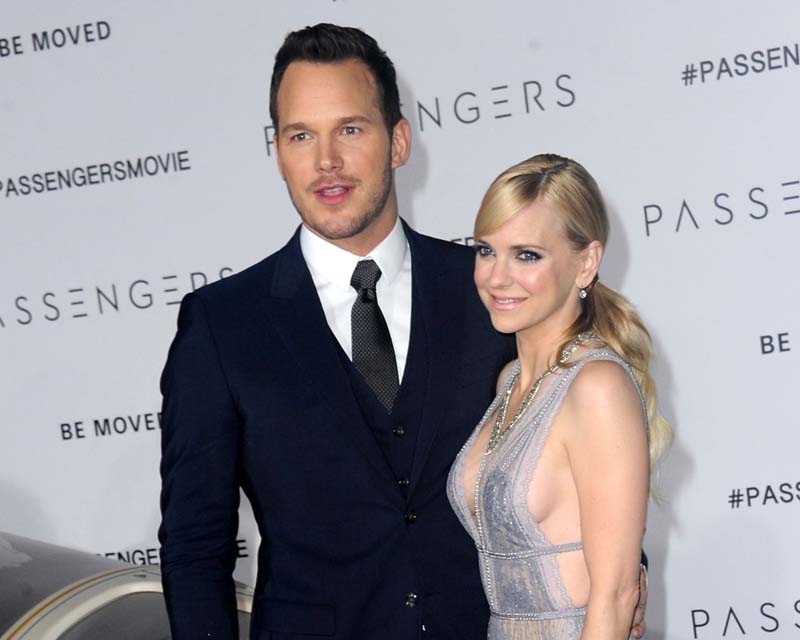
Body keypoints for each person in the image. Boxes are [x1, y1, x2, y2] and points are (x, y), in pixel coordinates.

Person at [158, 24, 649, 640]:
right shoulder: (222, 325)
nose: (326, 160)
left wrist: (620, 579)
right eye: (300, 135)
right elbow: (195, 546)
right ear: (278, 151)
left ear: (397, 141)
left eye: (350, 129)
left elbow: (585, 462)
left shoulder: (491, 293)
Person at [447, 153, 671, 639]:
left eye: (527, 255)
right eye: (486, 251)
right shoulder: (510, 381)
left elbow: (616, 594)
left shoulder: (596, 386)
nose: (496, 277)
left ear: (586, 263)